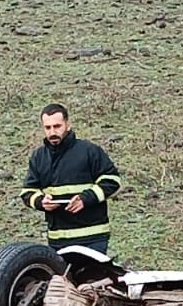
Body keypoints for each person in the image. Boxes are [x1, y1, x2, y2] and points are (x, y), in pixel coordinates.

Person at [18, 103, 122, 254]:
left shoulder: (89, 151)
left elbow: (112, 180)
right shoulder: (39, 157)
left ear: (68, 124)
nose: (52, 132)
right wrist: (41, 202)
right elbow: (27, 192)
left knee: (91, 278)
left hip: (92, 238)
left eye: (57, 126)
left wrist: (85, 199)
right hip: (57, 240)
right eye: (48, 128)